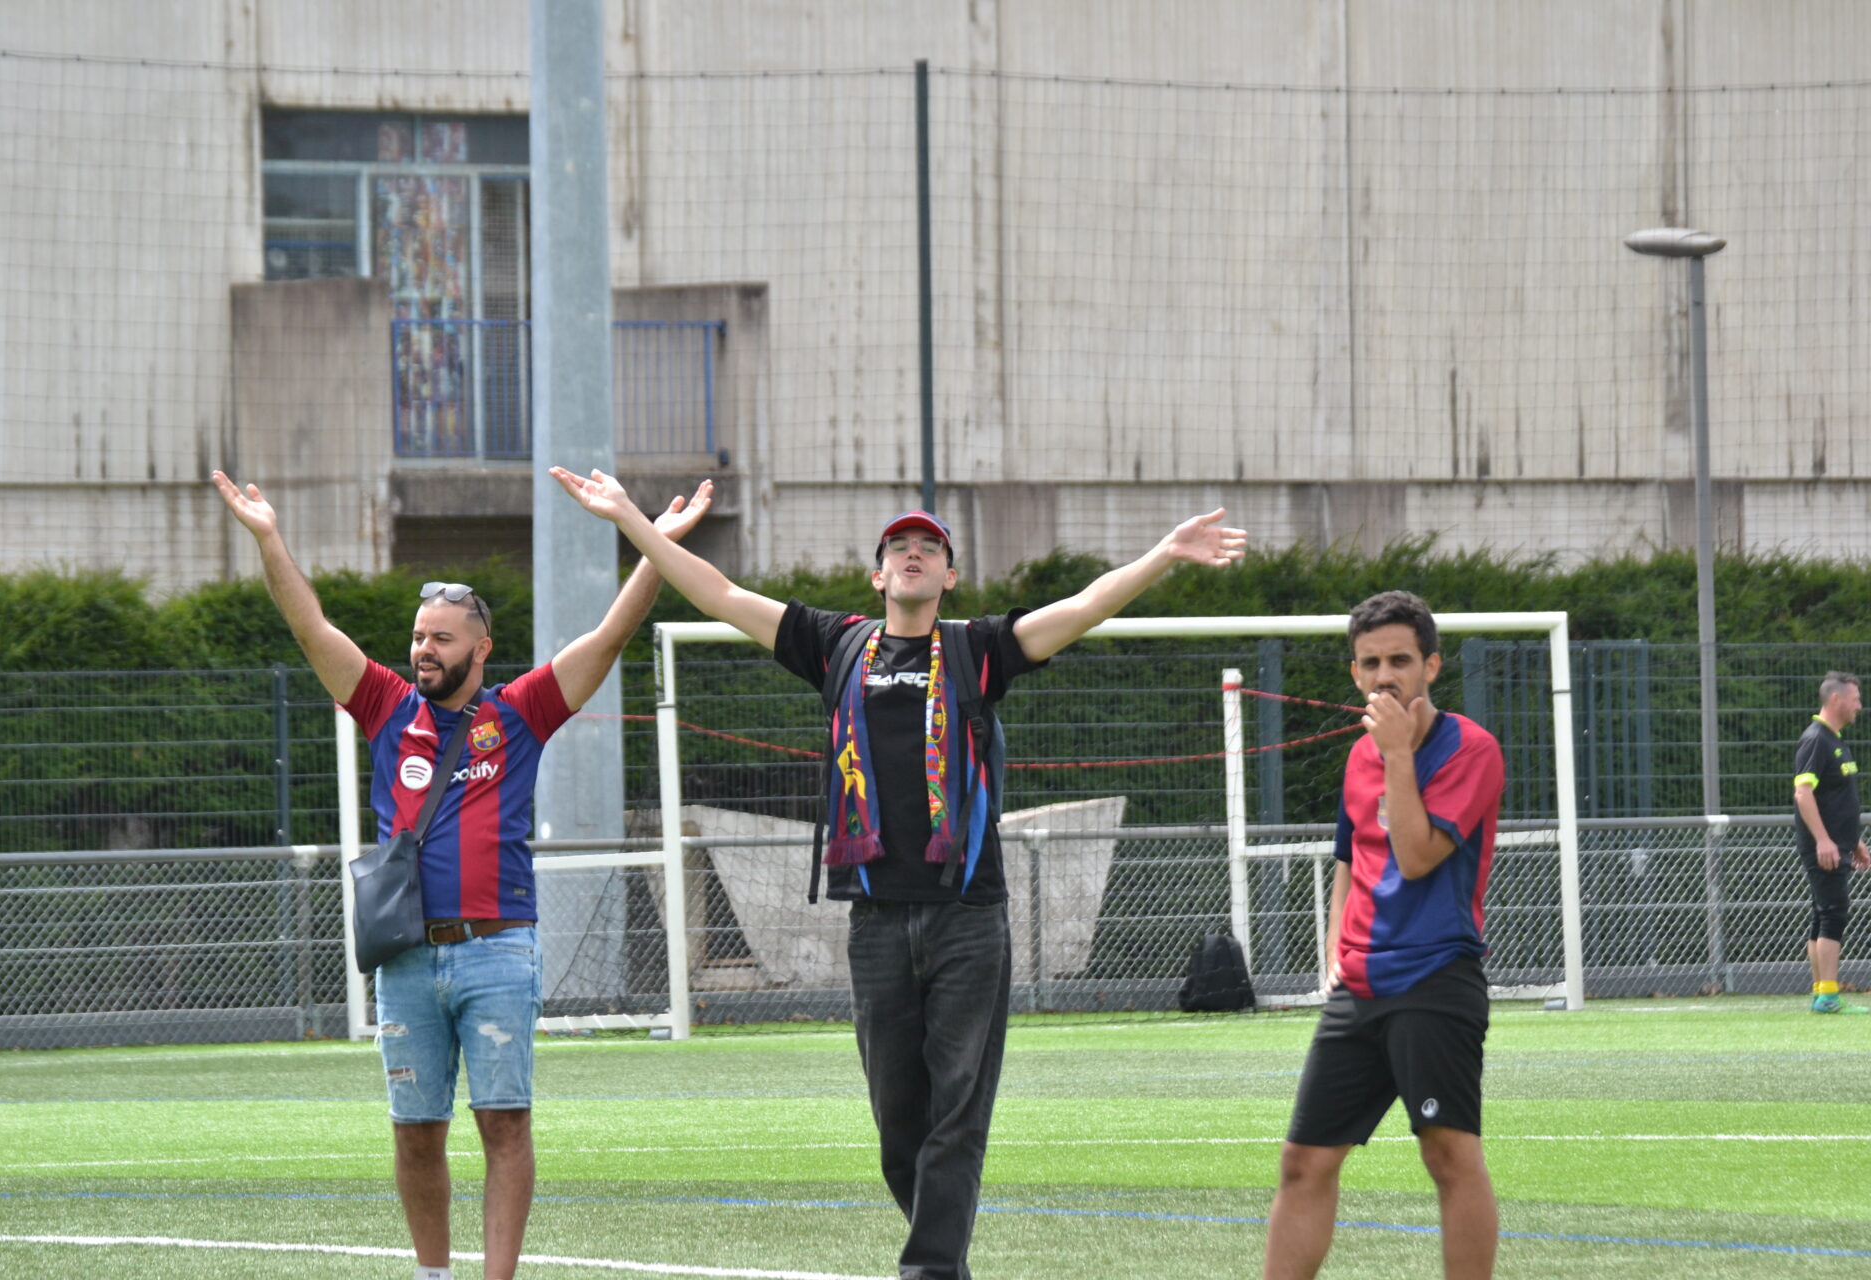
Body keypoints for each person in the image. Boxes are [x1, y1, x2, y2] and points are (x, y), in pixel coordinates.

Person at [549, 464, 1244, 1280]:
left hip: (968, 917)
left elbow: (1084, 607)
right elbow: (720, 594)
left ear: (950, 576)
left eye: (930, 548)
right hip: (875, 921)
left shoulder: (978, 649)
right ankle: (944, 1261)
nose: (914, 554)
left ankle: (930, 1272)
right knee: (898, 1127)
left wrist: (1164, 552)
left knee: (959, 1111)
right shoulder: (837, 644)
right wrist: (631, 519)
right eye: (899, 547)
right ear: (878, 575)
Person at [212, 469, 711, 1280]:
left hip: (499, 953)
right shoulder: (384, 706)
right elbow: (310, 627)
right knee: (415, 1132)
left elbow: (610, 636)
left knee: (504, 1126)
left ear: (480, 649)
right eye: (419, 637)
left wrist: (656, 544)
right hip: (407, 960)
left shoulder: (521, 712)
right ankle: (433, 1273)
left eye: (441, 639)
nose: (424, 650)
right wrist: (270, 537)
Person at [1262, 590, 1505, 1280]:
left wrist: (1398, 753)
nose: (1384, 676)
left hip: (1435, 979)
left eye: (1400, 660)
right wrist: (1335, 950)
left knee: (1448, 1155)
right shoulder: (1358, 757)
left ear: (1432, 666)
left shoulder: (1471, 749)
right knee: (1304, 1160)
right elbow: (1350, 858)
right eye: (1370, 663)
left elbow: (1416, 854)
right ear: (1354, 672)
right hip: (1359, 987)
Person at [1793, 670, 1867, 1014]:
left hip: (1839, 844)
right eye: (1855, 699)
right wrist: (1823, 840)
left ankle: (1821, 993)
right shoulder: (1816, 740)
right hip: (1824, 848)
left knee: (1823, 915)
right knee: (1834, 914)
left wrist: (1854, 841)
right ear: (1836, 699)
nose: (1860, 706)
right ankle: (1828, 996)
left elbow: (1836, 800)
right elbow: (1803, 793)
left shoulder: (1834, 740)